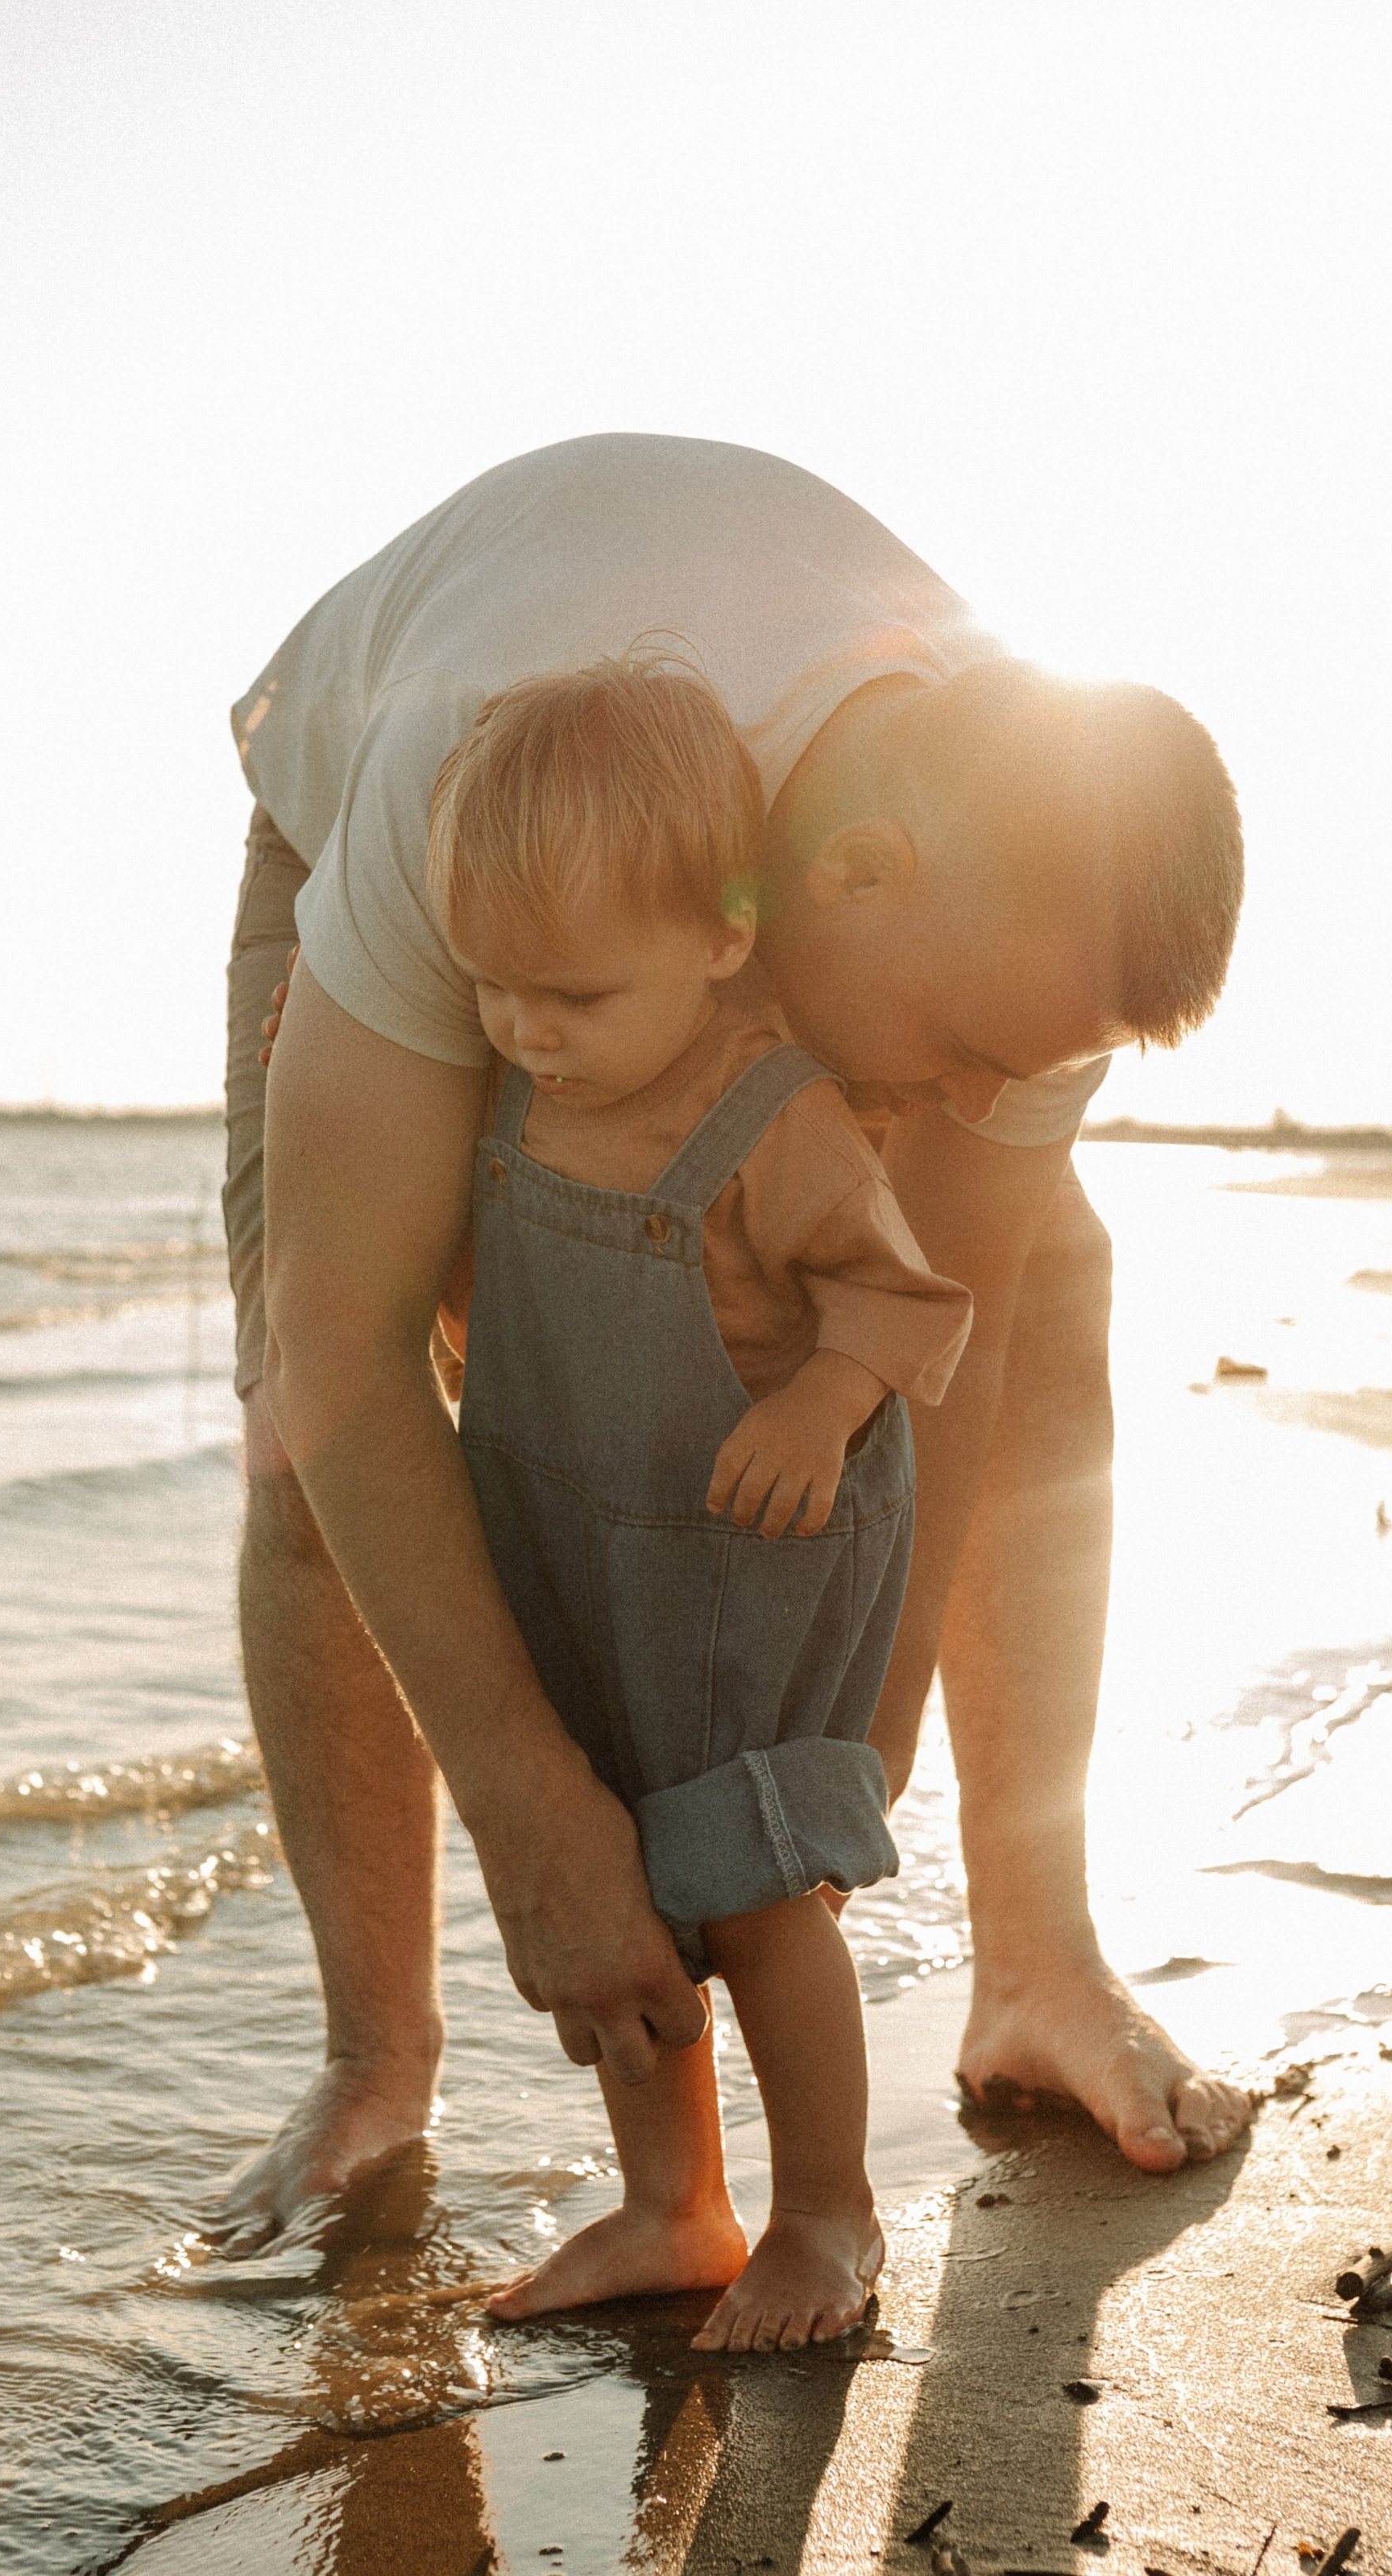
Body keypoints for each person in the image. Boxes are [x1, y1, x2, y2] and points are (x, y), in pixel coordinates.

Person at [217, 431, 1253, 2255]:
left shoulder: (1020, 915)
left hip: (738, 811)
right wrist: (535, 1827)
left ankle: (1038, 1968)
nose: (972, 1106)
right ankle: (373, 2065)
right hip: (474, 837)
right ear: (847, 876)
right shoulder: (454, 768)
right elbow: (346, 1347)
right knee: (307, 1427)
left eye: (1027, 1069)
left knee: (1045, 1285)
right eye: (962, 1055)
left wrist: (853, 1754)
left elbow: (963, 1338)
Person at [427, 655, 970, 2349]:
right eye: (493, 988)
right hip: (570, 1554)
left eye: (571, 995)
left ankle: (826, 2215)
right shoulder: (518, 1090)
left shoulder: (770, 1112)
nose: (525, 1030)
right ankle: (676, 2207)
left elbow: (901, 1300)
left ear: (722, 937)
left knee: (745, 1879)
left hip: (746, 1555)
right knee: (627, 1894)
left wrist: (821, 1394)